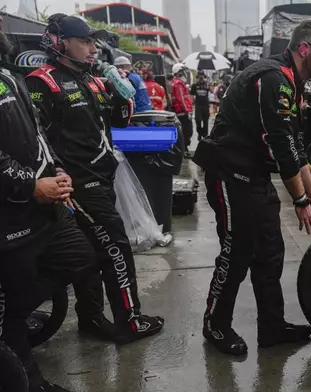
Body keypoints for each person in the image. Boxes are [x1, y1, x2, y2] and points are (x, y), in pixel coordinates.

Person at [192, 20, 311, 356]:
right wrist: (299, 198)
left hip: (254, 175)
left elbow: (297, 146)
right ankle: (215, 325)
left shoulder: (292, 82)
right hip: (228, 173)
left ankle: (271, 326)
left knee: (270, 252)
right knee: (237, 250)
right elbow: (280, 145)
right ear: (304, 49)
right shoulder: (274, 78)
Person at [25, 14, 164, 345]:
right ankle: (129, 320)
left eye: (93, 42)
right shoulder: (41, 81)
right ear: (60, 42)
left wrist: (121, 93)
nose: (92, 48)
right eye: (85, 41)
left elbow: (119, 121)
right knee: (116, 247)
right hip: (75, 185)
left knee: (92, 253)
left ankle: (91, 318)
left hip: (102, 178)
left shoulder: (94, 80)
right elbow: (33, 139)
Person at [0, 14, 110, 391]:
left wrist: (56, 170)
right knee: (13, 303)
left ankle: (12, 317)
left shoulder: (8, 75)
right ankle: (30, 378)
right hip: (11, 214)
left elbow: (38, 136)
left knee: (82, 257)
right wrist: (32, 184)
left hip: (46, 206)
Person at [171, 63, 194, 156]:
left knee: (185, 131)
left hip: (182, 111)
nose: (185, 73)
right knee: (187, 131)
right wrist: (187, 111)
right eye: (183, 71)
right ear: (179, 72)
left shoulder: (178, 83)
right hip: (182, 112)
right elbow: (181, 99)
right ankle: (184, 150)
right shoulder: (178, 83)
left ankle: (184, 150)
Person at [191, 70, 211, 140]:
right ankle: (200, 133)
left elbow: (211, 91)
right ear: (198, 76)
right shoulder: (194, 85)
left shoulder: (207, 84)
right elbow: (191, 95)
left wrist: (209, 83)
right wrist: (190, 105)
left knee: (206, 122)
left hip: (206, 106)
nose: (201, 77)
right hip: (198, 106)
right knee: (198, 120)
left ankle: (205, 135)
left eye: (202, 75)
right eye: (200, 75)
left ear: (204, 76)